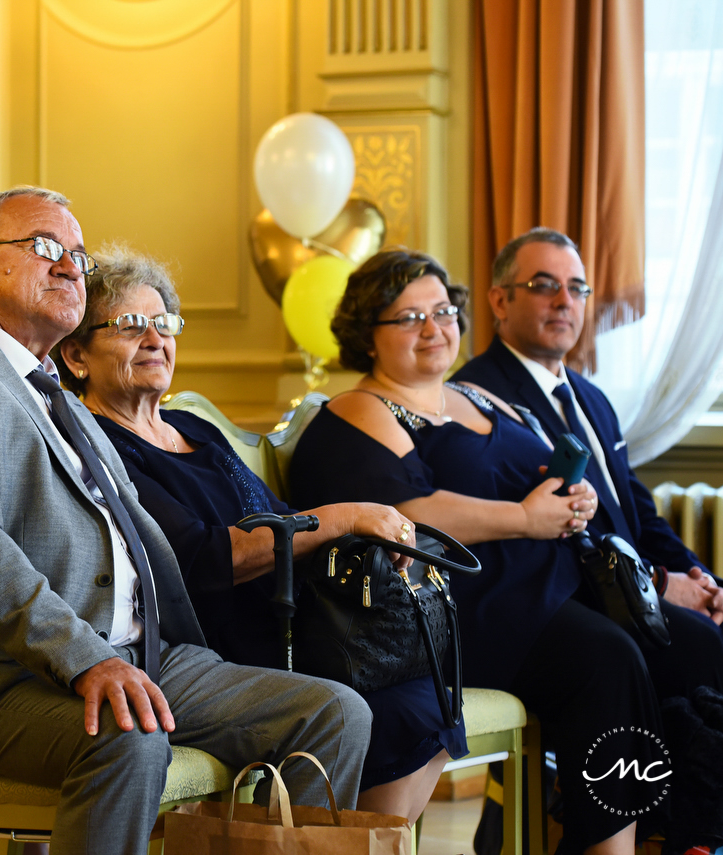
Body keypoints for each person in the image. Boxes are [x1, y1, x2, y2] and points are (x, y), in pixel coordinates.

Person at [0, 185, 373, 854]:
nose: (72, 265)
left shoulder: (50, 386)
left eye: (78, 254)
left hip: (144, 654)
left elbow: (133, 533)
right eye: (45, 248)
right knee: (130, 734)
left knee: (334, 713)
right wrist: (87, 659)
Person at [288, 248, 723, 854]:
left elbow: (546, 478)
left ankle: (688, 833)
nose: (434, 329)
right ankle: (606, 846)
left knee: (698, 644)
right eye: (409, 318)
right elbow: (404, 512)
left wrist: (575, 501)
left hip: (566, 583)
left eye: (442, 311)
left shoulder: (480, 398)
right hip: (474, 608)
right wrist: (524, 518)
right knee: (608, 659)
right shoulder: (362, 409)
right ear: (368, 333)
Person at [53, 244, 467, 824]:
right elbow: (198, 558)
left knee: (424, 693)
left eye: (164, 324)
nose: (155, 339)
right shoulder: (98, 445)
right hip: (212, 645)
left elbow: (275, 517)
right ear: (75, 355)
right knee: (391, 708)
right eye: (129, 326)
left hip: (292, 626)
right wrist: (344, 516)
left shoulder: (193, 427)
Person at [452, 226, 723, 624]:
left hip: (640, 587)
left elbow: (638, 512)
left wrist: (704, 581)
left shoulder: (592, 398)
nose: (565, 301)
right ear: (499, 301)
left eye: (577, 288)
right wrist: (661, 583)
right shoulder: (474, 399)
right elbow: (557, 541)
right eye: (544, 285)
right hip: (584, 603)